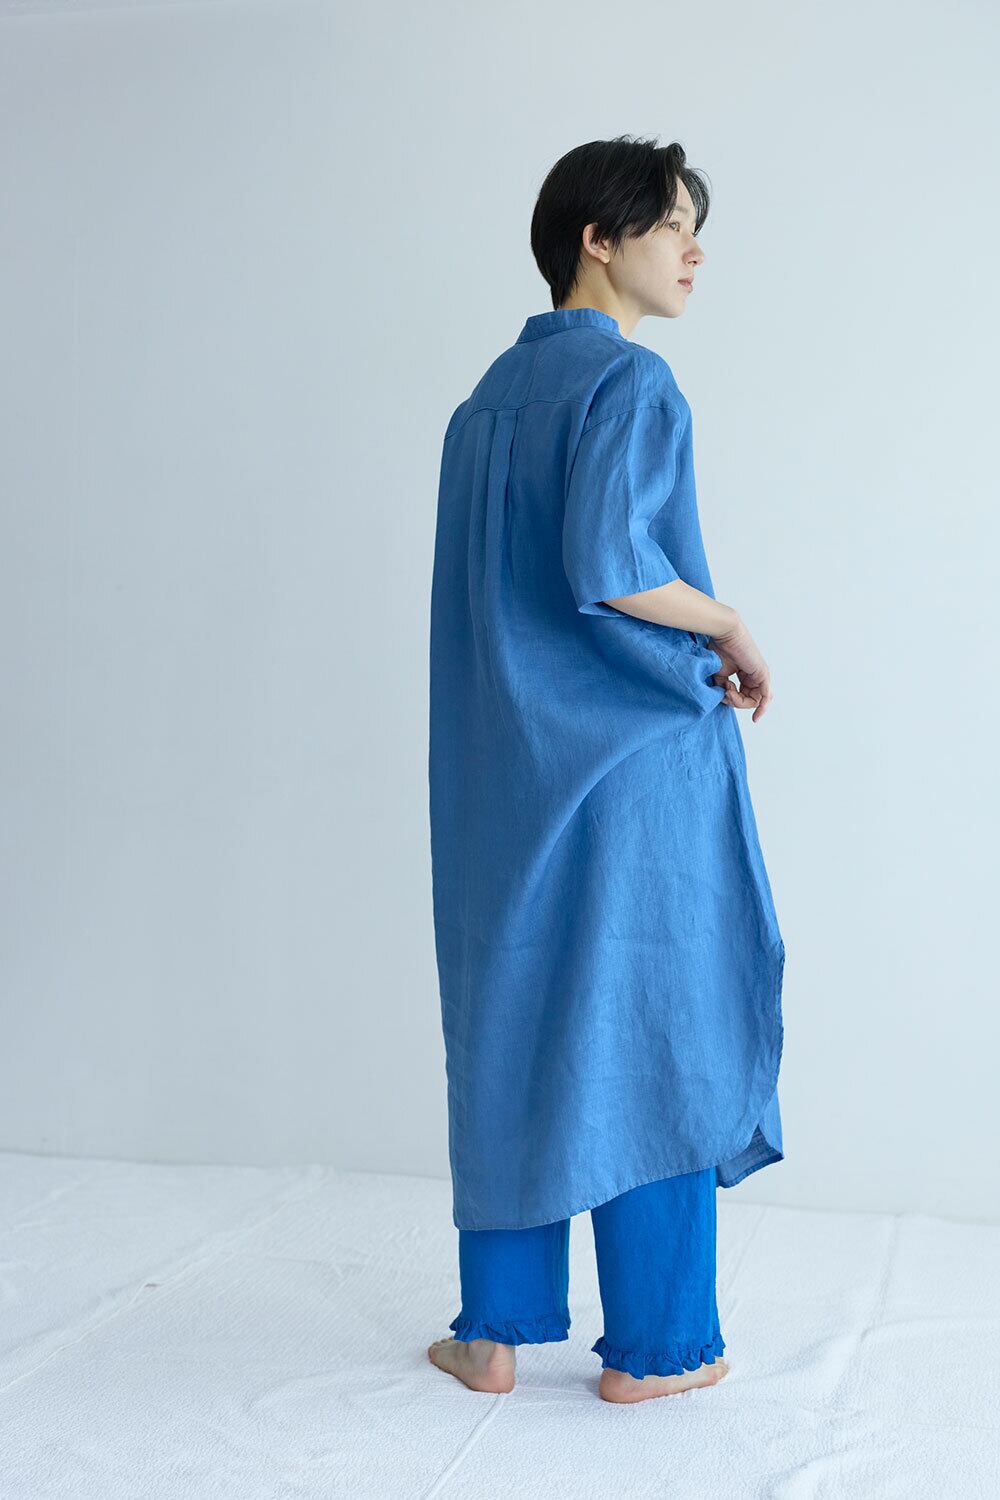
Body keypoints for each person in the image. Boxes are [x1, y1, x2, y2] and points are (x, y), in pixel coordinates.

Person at [426, 135, 786, 1403]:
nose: (694, 252)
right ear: (597, 237)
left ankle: (493, 1332)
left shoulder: (484, 403)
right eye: (674, 224)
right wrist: (728, 624)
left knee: (514, 1022)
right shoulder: (630, 382)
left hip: (501, 780)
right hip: (634, 772)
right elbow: (611, 566)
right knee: (660, 1024)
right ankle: (660, 1345)